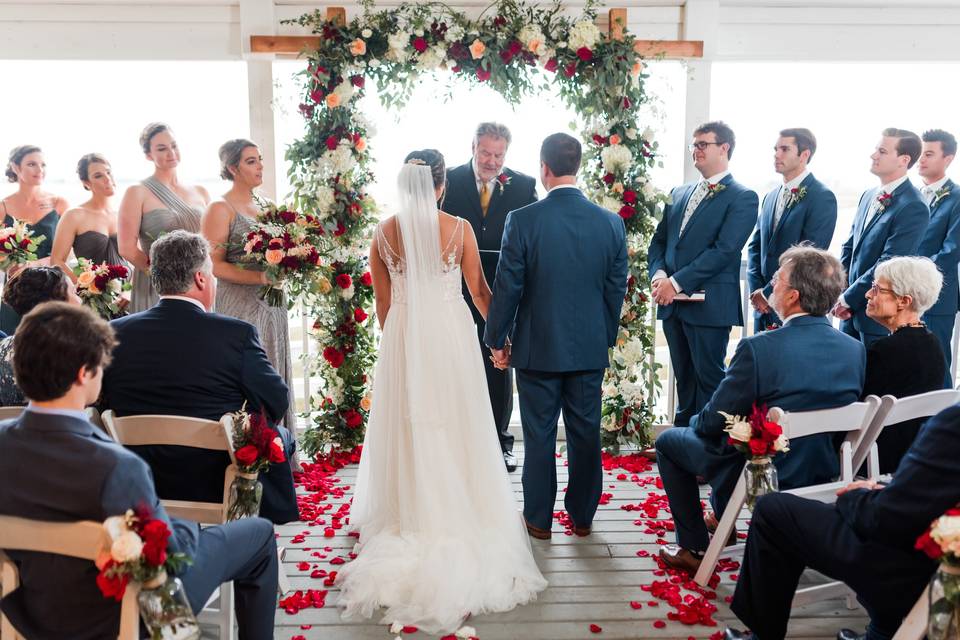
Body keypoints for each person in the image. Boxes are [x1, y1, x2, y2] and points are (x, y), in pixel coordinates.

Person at [337, 150, 547, 634]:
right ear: (440, 186)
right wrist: (502, 336)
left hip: (405, 337)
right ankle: (458, 504)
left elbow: (384, 304)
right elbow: (478, 292)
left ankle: (408, 510)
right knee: (456, 419)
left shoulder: (383, 232)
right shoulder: (458, 230)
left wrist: (401, 347)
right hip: (451, 337)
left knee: (409, 422)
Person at [0, 302, 279, 640]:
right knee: (259, 534)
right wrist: (187, 527)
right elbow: (170, 557)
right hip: (122, 616)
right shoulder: (115, 467)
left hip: (29, 609)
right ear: (83, 374)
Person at [656, 247, 865, 575]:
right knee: (740, 436)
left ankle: (693, 546)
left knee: (671, 442)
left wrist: (697, 421)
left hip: (763, 471)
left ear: (793, 296)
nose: (771, 286)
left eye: (777, 280)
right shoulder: (855, 349)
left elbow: (713, 421)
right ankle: (722, 520)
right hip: (822, 466)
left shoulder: (759, 348)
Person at [485, 133, 628, 540]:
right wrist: (602, 334)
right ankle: (582, 518)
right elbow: (615, 287)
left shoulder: (524, 220)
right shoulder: (611, 223)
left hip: (537, 348)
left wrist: (497, 339)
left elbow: (508, 285)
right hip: (587, 348)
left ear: (544, 168)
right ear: (576, 167)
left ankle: (538, 520)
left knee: (540, 434)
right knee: (585, 434)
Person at [100, 230, 298, 524]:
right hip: (214, 478)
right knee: (280, 438)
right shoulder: (236, 334)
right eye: (212, 274)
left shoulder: (113, 333)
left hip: (140, 477)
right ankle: (252, 536)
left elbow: (100, 400)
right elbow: (276, 400)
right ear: (201, 279)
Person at [724, 401, 960, 640]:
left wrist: (854, 495)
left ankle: (762, 637)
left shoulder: (954, 422)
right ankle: (881, 633)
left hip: (922, 568)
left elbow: (885, 518)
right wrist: (884, 490)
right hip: (931, 549)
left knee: (772, 511)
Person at [648, 121, 759, 427]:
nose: (695, 150)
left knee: (710, 380)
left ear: (724, 148)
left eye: (702, 144)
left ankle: (711, 451)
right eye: (693, 145)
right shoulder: (679, 192)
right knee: (684, 380)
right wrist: (659, 276)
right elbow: (659, 241)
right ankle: (682, 446)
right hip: (673, 305)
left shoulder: (743, 197)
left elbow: (724, 251)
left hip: (710, 305)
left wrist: (677, 281)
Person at [443, 123, 538, 472]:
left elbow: (531, 235)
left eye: (499, 155)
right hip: (454, 287)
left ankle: (500, 443)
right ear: (472, 146)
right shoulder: (449, 180)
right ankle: (457, 443)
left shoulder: (524, 185)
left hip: (501, 289)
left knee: (498, 367)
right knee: (454, 365)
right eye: (485, 152)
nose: (492, 161)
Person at [202, 139, 298, 466]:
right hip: (240, 304)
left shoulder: (269, 206)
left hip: (273, 304)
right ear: (232, 168)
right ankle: (247, 453)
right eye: (251, 161)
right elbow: (214, 265)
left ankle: (278, 451)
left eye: (259, 160)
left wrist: (291, 261)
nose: (259, 167)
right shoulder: (220, 209)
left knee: (273, 366)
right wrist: (261, 278)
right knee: (248, 371)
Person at [834, 128, 929, 345]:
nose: (873, 155)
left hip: (877, 315)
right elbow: (850, 246)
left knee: (875, 376)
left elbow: (889, 262)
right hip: (848, 310)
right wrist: (841, 288)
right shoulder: (868, 196)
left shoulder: (913, 205)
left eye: (882, 151)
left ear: (903, 160)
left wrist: (850, 298)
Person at [746, 128, 837, 331]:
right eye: (776, 149)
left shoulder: (822, 197)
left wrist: (770, 291)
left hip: (794, 304)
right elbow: (755, 246)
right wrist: (757, 291)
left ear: (804, 155)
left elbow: (808, 256)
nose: (777, 155)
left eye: (785, 149)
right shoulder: (770, 196)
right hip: (762, 306)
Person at [861, 256, 944, 474]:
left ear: (904, 301)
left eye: (877, 289)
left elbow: (859, 415)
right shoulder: (933, 343)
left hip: (878, 459)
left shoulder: (884, 350)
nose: (868, 294)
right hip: (917, 455)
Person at [118, 123, 208, 313]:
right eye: (162, 148)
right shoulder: (137, 192)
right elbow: (126, 248)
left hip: (199, 280)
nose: (171, 152)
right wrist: (164, 276)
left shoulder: (200, 191)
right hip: (159, 285)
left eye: (174, 145)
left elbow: (212, 241)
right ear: (148, 155)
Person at [0, 145, 68, 333]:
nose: (40, 170)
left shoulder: (58, 204)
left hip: (52, 286)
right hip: (16, 289)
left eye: (43, 164)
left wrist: (33, 264)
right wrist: (8, 264)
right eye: (32, 164)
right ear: (15, 167)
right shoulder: (3, 207)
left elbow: (67, 252)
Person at [915, 129, 960, 386]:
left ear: (948, 158)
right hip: (902, 296)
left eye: (929, 154)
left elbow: (952, 250)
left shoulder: (956, 198)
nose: (921, 159)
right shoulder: (911, 196)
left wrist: (913, 280)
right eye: (921, 153)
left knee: (937, 363)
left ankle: (943, 423)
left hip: (938, 296)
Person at [0, 266, 81, 405]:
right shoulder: (74, 351)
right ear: (57, 303)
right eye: (74, 293)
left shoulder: (3, 346)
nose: (80, 300)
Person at [51, 153, 127, 279]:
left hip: (128, 294)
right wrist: (84, 288)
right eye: (98, 176)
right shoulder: (74, 215)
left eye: (108, 172)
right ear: (86, 183)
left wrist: (130, 292)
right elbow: (57, 261)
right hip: (90, 295)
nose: (107, 179)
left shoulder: (122, 215)